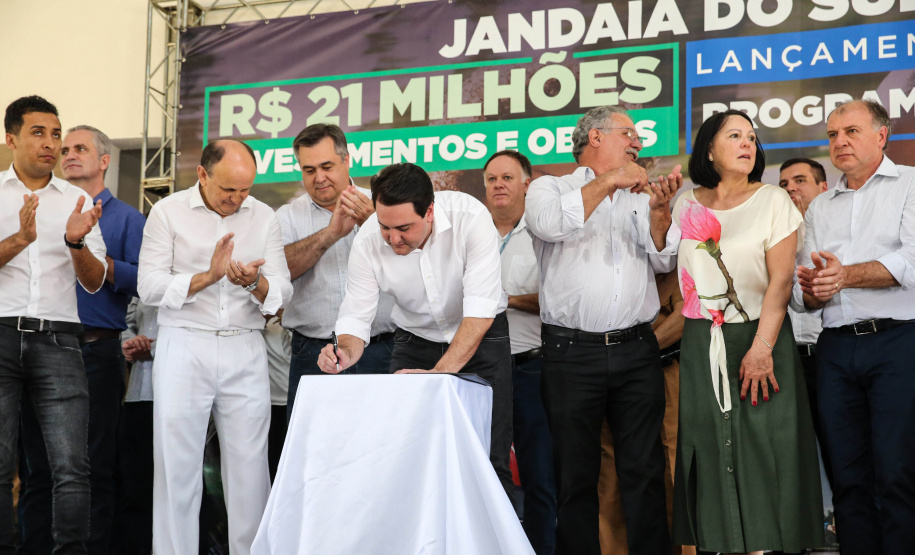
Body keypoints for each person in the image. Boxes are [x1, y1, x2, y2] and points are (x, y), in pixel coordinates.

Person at [525, 105, 682, 555]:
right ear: (595, 137)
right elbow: (549, 225)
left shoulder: (641, 196)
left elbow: (664, 260)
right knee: (574, 476)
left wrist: (660, 212)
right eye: (628, 134)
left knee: (645, 471)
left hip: (637, 350)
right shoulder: (549, 188)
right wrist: (611, 180)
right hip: (570, 354)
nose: (638, 143)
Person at [671, 109, 823, 554]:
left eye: (752, 138)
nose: (746, 144)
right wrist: (659, 212)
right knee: (709, 448)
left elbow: (781, 282)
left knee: (764, 448)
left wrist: (761, 348)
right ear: (709, 150)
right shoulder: (686, 203)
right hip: (701, 342)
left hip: (761, 337)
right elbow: (671, 268)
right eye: (735, 136)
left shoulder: (773, 200)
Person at [317, 162, 515, 500]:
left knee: (487, 460)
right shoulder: (367, 240)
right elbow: (355, 318)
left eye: (404, 228)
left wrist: (437, 376)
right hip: (414, 341)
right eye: (385, 227)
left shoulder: (471, 218)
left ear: (430, 211)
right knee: (408, 463)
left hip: (480, 339)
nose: (393, 239)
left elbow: (480, 313)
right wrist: (344, 353)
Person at [137, 139, 292, 554]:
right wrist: (206, 277)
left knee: (250, 469)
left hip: (245, 345)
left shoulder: (264, 215)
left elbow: (283, 288)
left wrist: (254, 283)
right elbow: (148, 285)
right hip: (184, 342)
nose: (237, 198)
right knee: (177, 467)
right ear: (203, 175)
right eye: (228, 189)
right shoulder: (167, 211)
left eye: (245, 189)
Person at [18, 124, 146, 554]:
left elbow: (145, 280)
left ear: (105, 161)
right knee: (36, 465)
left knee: (92, 466)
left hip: (95, 351)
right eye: (66, 148)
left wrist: (95, 258)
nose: (68, 154)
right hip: (39, 348)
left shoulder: (128, 219)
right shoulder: (42, 208)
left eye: (80, 148)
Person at [794, 99, 915, 554]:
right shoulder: (820, 207)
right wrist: (813, 287)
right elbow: (805, 298)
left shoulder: (910, 184)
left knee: (898, 472)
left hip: (899, 342)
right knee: (847, 476)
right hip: (836, 349)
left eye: (851, 131)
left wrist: (845, 275)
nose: (839, 142)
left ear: (882, 135)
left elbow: (912, 261)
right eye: (832, 135)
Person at [0, 95, 106, 553]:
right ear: (11, 139)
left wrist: (75, 243)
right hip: (1, 333)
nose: (51, 144)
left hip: (59, 339)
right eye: (38, 133)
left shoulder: (77, 200)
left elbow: (95, 282)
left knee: (71, 467)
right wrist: (20, 239)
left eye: (56, 135)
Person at [277, 124, 395, 418]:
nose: (319, 178)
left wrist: (375, 225)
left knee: (387, 439)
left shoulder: (383, 205)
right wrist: (330, 234)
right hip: (312, 352)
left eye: (327, 166)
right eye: (309, 170)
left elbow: (416, 262)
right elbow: (280, 271)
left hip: (384, 347)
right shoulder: (287, 216)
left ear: (346, 160)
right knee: (313, 442)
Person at [483, 150, 556, 554]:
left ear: (527, 185)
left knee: (539, 474)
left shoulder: (543, 233)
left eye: (507, 178)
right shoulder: (473, 233)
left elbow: (558, 301)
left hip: (530, 367)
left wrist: (504, 298)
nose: (498, 185)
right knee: (487, 473)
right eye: (491, 179)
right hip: (480, 371)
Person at [597, 269, 695, 555]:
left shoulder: (668, 256)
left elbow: (685, 313)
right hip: (601, 370)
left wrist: (636, 352)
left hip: (661, 367)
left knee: (672, 465)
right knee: (608, 469)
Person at [778, 157, 833, 488]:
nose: (790, 189)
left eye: (799, 181)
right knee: (788, 458)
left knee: (840, 451)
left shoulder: (837, 233)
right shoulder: (774, 235)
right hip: (784, 361)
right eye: (784, 184)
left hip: (828, 358)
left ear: (823, 188)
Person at [114, 298, 158, 555]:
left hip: (185, 395)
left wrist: (155, 348)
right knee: (136, 484)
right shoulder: (142, 282)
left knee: (184, 484)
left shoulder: (204, 278)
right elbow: (124, 322)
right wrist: (130, 342)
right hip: (139, 392)